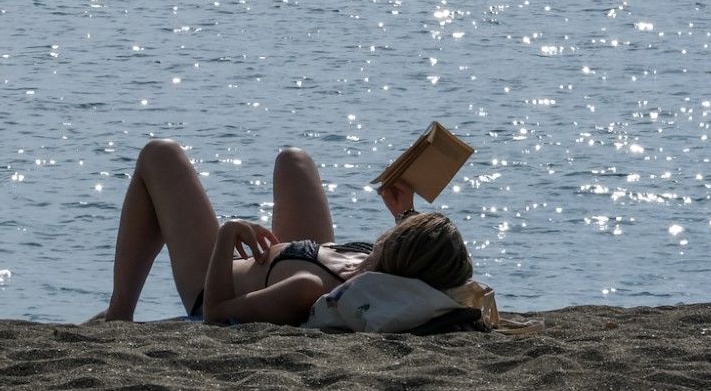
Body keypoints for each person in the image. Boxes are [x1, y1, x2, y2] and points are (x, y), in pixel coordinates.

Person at [88, 139, 472, 326]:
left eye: (404, 228)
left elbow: (216, 316)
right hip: (306, 253)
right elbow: (421, 254)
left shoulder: (307, 287)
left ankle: (120, 312)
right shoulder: (377, 265)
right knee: (295, 159)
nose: (401, 223)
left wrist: (226, 237)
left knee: (159, 154)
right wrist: (403, 211)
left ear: (399, 250)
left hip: (213, 280)